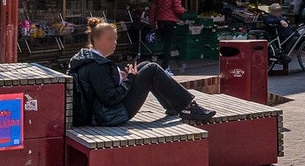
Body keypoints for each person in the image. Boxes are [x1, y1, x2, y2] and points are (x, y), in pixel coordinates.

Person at [69, 18, 214, 126]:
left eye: (115, 39)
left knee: (145, 65)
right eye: (110, 40)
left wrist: (122, 77)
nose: (114, 44)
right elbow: (110, 98)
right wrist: (129, 79)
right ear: (96, 40)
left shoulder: (87, 58)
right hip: (110, 115)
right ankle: (188, 106)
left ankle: (174, 106)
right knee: (151, 69)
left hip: (102, 112)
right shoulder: (97, 66)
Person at [149, 0, 185, 70]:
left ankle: (174, 63)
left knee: (164, 42)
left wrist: (152, 23)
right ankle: (166, 65)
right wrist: (183, 10)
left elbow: (153, 9)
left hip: (160, 21)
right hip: (170, 21)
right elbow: (178, 9)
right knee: (169, 43)